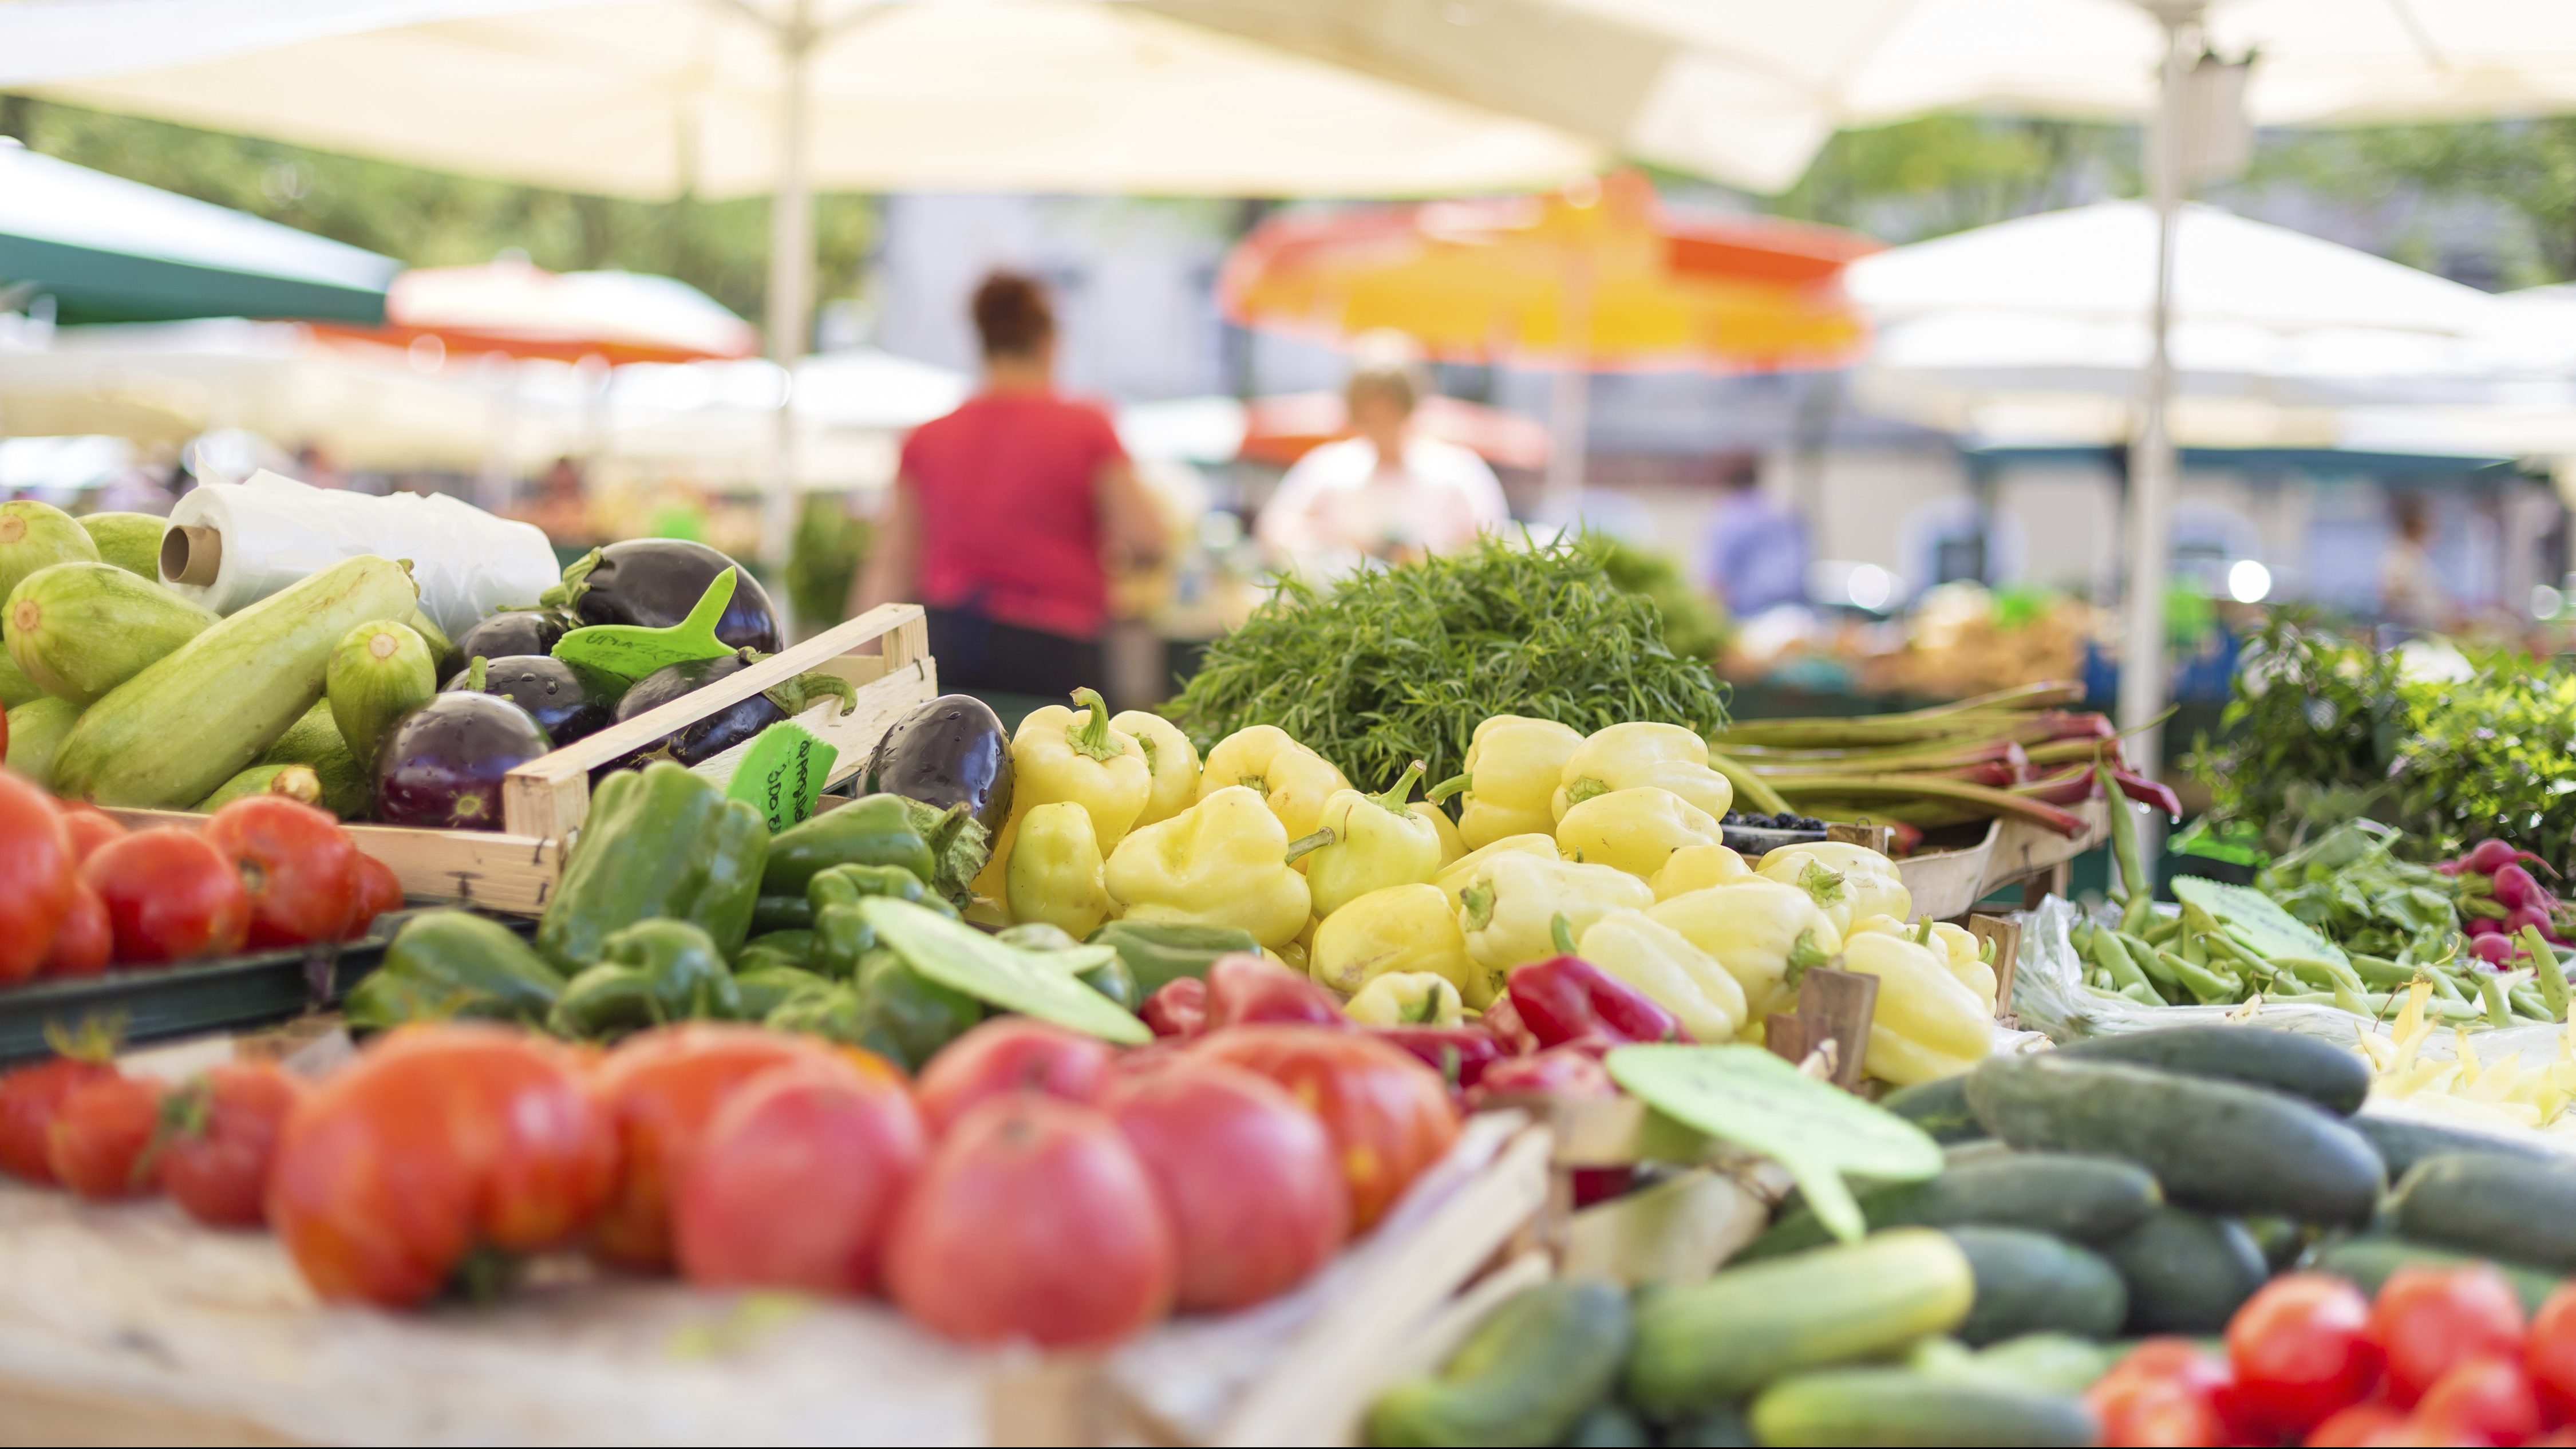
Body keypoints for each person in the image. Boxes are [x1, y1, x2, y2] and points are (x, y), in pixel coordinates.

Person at [852, 271, 1164, 696]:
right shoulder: (1087, 427)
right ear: (1049, 342)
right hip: (1056, 649)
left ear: (982, 342)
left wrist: (856, 670)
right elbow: (1147, 539)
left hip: (949, 644)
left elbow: (891, 566)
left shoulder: (928, 437)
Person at [1254, 337, 1510, 569]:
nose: (1380, 422)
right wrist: (1337, 540)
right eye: (1369, 414)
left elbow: (1492, 547)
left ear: (1409, 407)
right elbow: (1274, 530)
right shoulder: (1327, 469)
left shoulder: (1459, 474)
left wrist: (1427, 558)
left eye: (1389, 411)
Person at [1697, 456, 1808, 615]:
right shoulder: (1784, 510)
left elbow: (1716, 577)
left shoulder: (1727, 515)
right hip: (1793, 610)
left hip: (1748, 615)